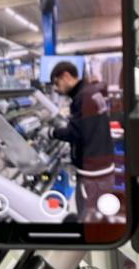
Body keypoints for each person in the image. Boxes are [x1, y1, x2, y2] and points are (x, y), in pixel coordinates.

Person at [46, 61, 115, 221]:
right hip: (102, 167)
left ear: (66, 76)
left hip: (93, 174)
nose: (57, 89)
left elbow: (76, 133)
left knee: (88, 218)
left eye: (57, 83)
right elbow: (87, 126)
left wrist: (51, 132)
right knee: (100, 216)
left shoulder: (82, 97)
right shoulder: (91, 91)